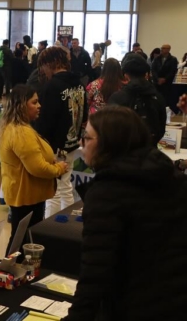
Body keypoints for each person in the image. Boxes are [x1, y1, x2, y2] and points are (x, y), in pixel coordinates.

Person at [63, 106, 187, 321]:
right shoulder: (167, 173)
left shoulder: (106, 193)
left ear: (108, 144)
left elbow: (96, 273)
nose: (82, 145)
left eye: (87, 137)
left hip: (138, 305)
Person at [0, 85, 69, 253]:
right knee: (21, 242)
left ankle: (15, 273)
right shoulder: (21, 132)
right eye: (34, 102)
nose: (39, 105)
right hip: (26, 196)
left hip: (25, 195)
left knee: (21, 239)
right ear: (21, 105)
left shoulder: (14, 127)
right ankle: (11, 274)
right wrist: (58, 168)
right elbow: (38, 168)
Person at [31, 47, 88, 217]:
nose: (43, 71)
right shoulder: (79, 84)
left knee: (53, 191)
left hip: (53, 146)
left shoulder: (52, 86)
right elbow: (84, 114)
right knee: (65, 187)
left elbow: (45, 120)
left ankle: (49, 230)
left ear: (50, 64)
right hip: (71, 143)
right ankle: (65, 226)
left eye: (43, 67)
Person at [108, 53, 167, 142]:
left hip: (122, 151)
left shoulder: (117, 98)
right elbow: (161, 130)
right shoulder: (159, 97)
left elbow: (110, 130)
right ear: (146, 75)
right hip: (151, 151)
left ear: (126, 76)